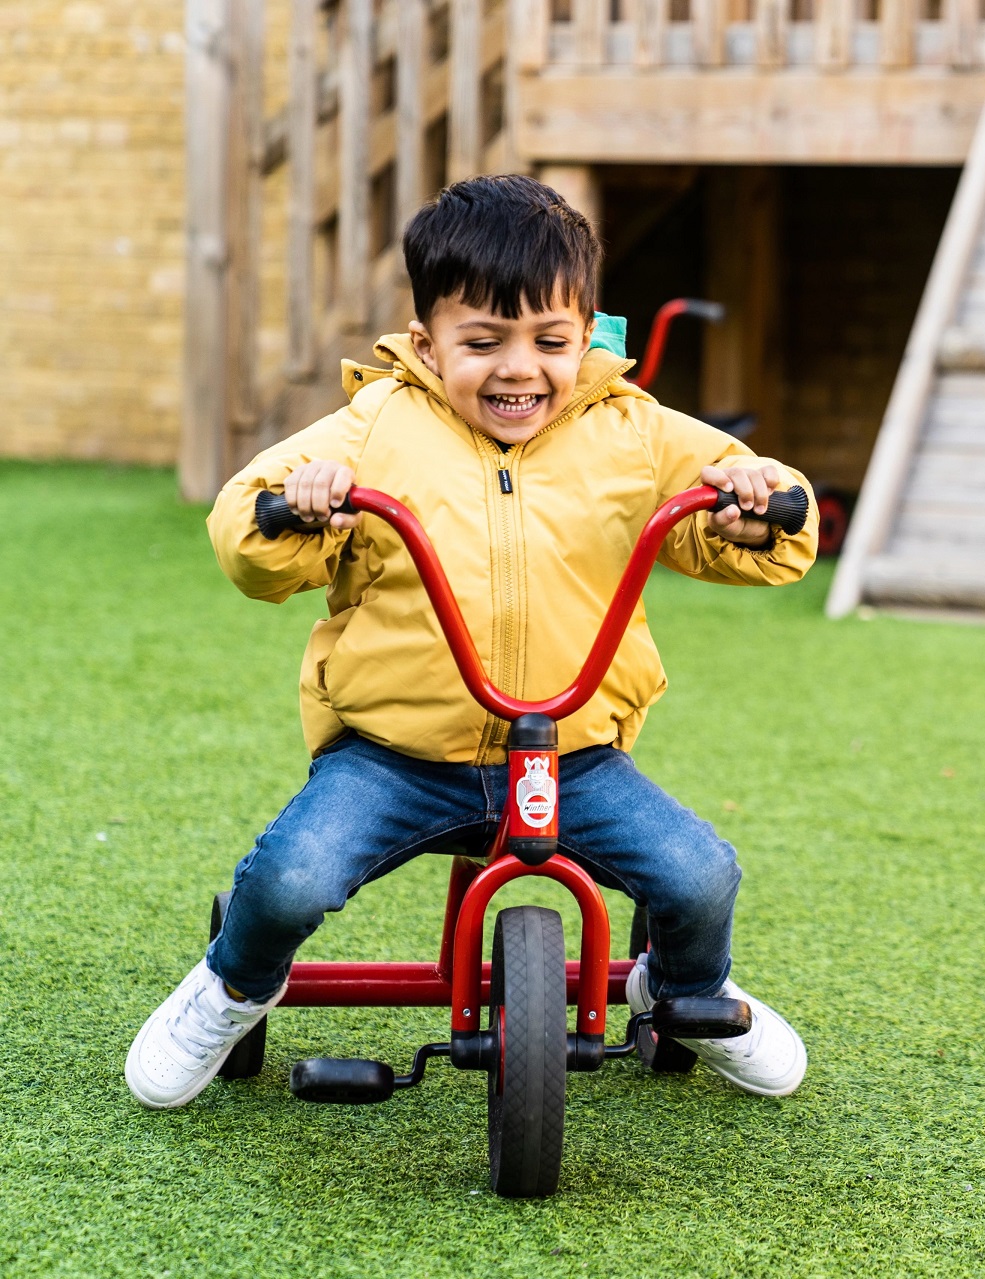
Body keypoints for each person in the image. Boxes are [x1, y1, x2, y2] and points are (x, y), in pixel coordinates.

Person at [126, 175, 815, 1106]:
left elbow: (745, 491)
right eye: (482, 342)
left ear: (588, 332)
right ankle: (233, 985)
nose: (518, 369)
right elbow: (246, 526)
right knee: (290, 880)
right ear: (426, 342)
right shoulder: (377, 427)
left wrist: (758, 510)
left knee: (699, 875)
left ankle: (683, 988)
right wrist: (300, 508)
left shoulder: (634, 431)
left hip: (571, 755)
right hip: (398, 756)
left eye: (550, 341)